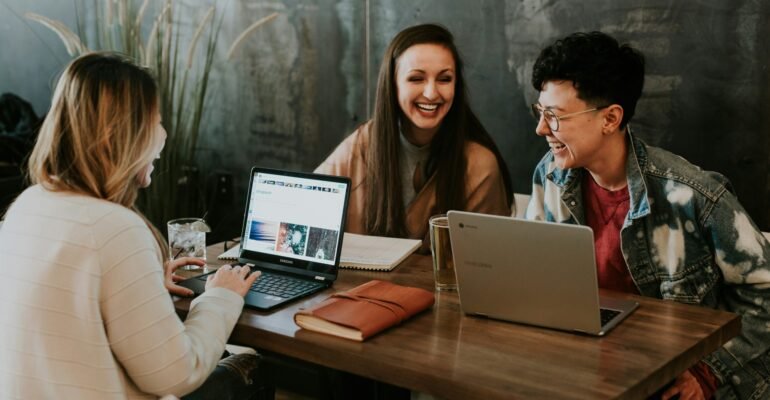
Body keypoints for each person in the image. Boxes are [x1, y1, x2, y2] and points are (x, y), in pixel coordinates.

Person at [0, 53, 267, 399]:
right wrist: (220, 297)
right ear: (120, 135)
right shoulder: (115, 228)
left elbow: (67, 315)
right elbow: (175, 375)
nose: (164, 134)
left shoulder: (27, 206)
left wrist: (146, 283)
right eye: (156, 121)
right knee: (249, 369)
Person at [526, 31, 770, 399]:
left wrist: (708, 372)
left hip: (672, 379)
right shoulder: (551, 176)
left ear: (610, 118)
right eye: (540, 112)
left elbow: (765, 292)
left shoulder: (693, 195)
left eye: (555, 116)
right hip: (588, 369)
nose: (541, 129)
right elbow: (536, 278)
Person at [316, 23, 513, 250]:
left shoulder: (479, 164)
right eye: (416, 79)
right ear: (393, 84)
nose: (431, 93)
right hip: (362, 285)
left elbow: (489, 261)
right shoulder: (362, 144)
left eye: (444, 79)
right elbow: (305, 209)